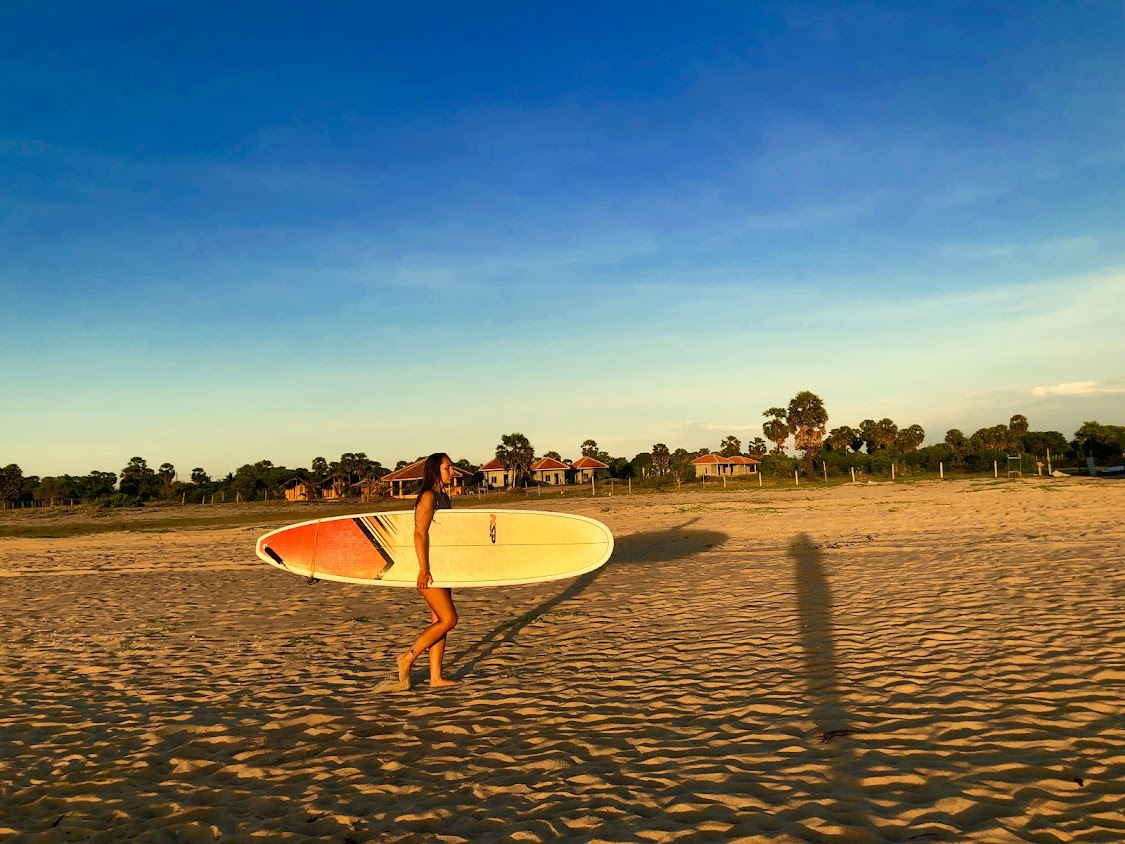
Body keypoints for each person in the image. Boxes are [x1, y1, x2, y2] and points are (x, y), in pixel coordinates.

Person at [396, 452, 459, 689]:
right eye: (448, 468)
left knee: (438, 620)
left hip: (442, 566)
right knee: (449, 619)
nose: (452, 472)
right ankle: (407, 657)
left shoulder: (443, 496)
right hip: (427, 568)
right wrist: (424, 569)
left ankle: (435, 677)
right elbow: (419, 533)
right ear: (435, 470)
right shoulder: (429, 497)